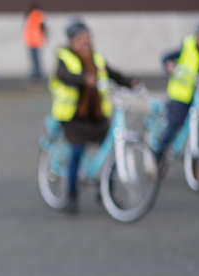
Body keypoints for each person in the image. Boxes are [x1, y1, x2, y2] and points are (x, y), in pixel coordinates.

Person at [49, 19, 137, 215]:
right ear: (72, 42)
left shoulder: (96, 58)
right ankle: (71, 197)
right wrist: (83, 79)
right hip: (74, 117)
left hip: (96, 116)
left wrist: (130, 82)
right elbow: (63, 75)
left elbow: (112, 74)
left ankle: (107, 192)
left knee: (113, 149)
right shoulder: (65, 57)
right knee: (77, 152)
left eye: (88, 38)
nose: (86, 43)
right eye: (81, 39)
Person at [155, 21, 199, 174]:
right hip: (181, 94)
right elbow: (166, 57)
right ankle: (157, 157)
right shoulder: (188, 46)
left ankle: (196, 163)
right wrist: (169, 66)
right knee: (174, 125)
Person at [22, 2, 47, 80]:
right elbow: (43, 27)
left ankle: (37, 74)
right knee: (36, 59)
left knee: (34, 59)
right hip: (36, 40)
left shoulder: (30, 15)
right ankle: (37, 73)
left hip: (31, 40)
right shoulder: (39, 14)